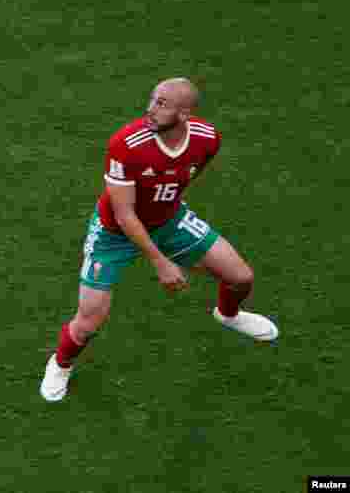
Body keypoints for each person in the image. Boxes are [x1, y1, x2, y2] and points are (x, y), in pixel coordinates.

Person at [40, 78, 279, 402]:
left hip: (168, 221)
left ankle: (229, 315)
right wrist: (161, 262)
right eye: (153, 99)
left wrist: (169, 212)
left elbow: (185, 177)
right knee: (89, 321)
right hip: (114, 234)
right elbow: (124, 215)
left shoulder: (208, 139)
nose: (150, 109)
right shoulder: (126, 144)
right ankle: (61, 364)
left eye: (162, 104)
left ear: (185, 113)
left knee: (241, 278)